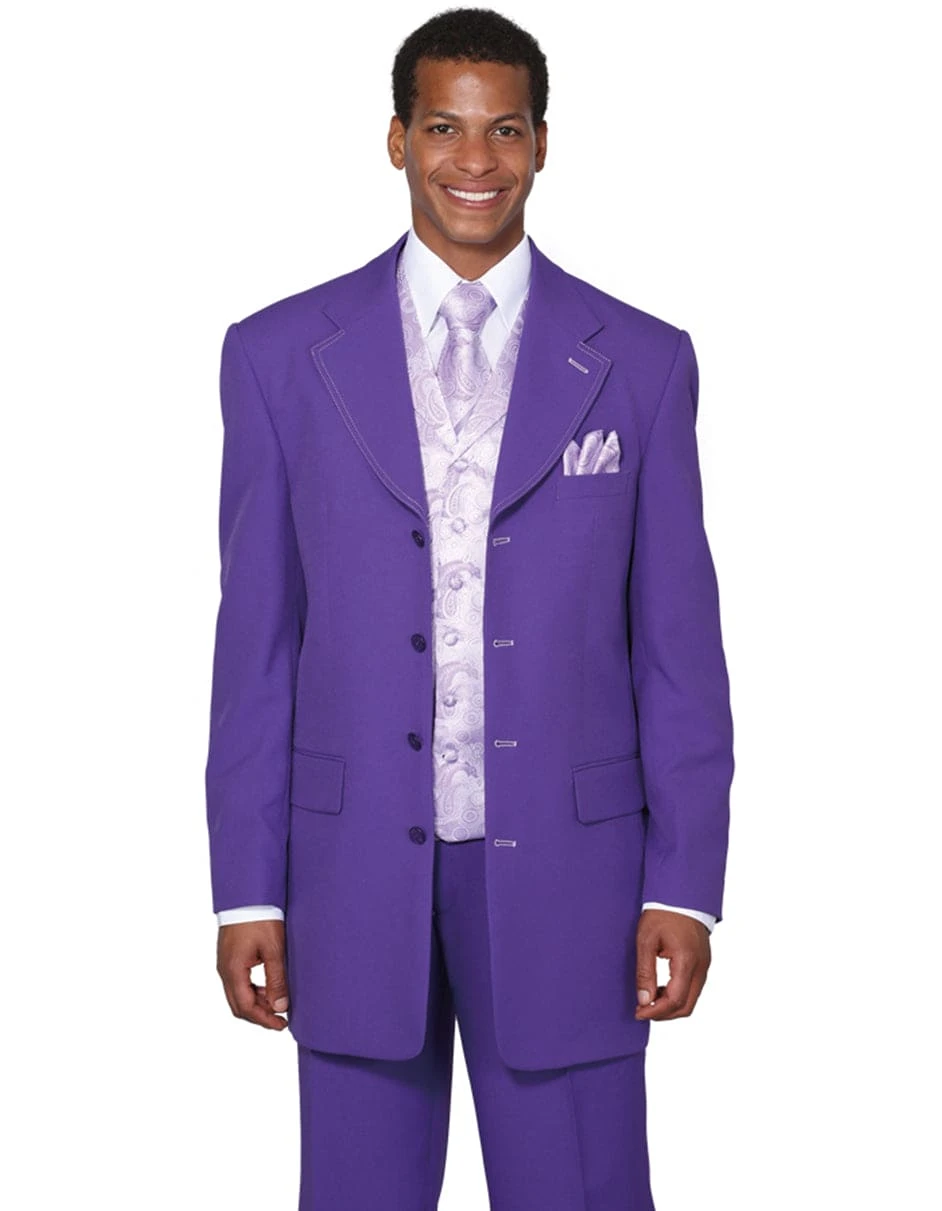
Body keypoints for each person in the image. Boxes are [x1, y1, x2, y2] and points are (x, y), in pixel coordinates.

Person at [204, 7, 734, 1208]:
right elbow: (257, 645)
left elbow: (678, 649)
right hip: (348, 871)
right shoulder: (279, 356)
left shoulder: (643, 363)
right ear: (397, 140)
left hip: (577, 878)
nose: (475, 159)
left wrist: (683, 880)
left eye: (504, 129)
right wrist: (247, 886)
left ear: (542, 143)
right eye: (444, 128)